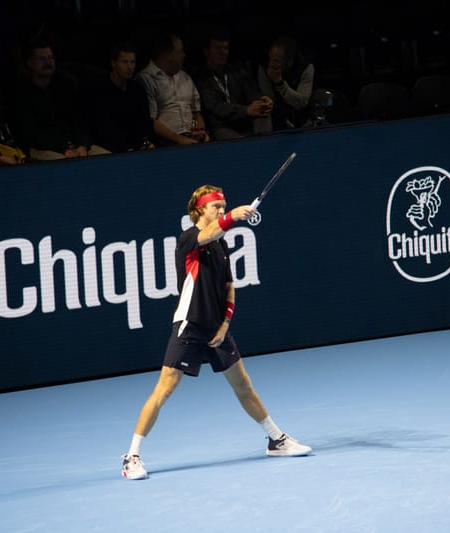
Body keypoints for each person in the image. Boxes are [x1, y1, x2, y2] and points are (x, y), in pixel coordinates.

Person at [121, 184, 312, 480]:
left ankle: (277, 440)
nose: (221, 211)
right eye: (216, 207)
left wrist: (224, 324)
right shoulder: (188, 240)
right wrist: (234, 216)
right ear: (200, 210)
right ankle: (131, 457)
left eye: (224, 207)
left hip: (216, 328)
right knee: (164, 389)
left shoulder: (221, 244)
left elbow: (228, 287)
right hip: (190, 324)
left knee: (243, 385)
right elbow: (209, 233)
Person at [12, 40, 110, 160]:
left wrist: (83, 145)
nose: (48, 62)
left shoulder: (65, 85)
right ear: (30, 63)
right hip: (44, 149)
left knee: (106, 158)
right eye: (42, 59)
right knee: (64, 165)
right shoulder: (21, 93)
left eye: (51, 58)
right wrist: (64, 148)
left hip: (73, 146)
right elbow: (31, 135)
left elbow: (78, 121)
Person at [194, 29, 273, 140]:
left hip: (244, 123)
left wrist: (263, 102)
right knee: (237, 140)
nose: (223, 52)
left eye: (226, 48)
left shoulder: (236, 71)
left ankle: (267, 150)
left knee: (264, 114)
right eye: (218, 48)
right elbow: (216, 106)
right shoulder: (201, 78)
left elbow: (252, 93)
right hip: (221, 127)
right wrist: (246, 110)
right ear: (206, 51)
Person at [136, 31, 210, 147]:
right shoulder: (146, 79)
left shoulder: (185, 77)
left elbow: (195, 113)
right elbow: (151, 121)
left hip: (190, 137)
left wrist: (199, 130)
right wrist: (179, 139)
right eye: (179, 51)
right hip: (166, 141)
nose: (184, 55)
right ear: (167, 55)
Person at [86, 41, 155, 153]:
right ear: (113, 63)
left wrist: (146, 143)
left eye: (132, 62)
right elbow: (102, 127)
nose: (130, 67)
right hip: (108, 148)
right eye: (124, 62)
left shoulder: (137, 89)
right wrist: (125, 148)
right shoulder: (99, 88)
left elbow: (144, 122)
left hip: (135, 147)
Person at [257, 36, 315, 131]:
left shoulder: (306, 68)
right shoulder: (263, 68)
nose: (271, 64)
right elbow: (269, 100)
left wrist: (280, 84)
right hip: (276, 123)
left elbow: (301, 102)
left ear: (289, 62)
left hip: (302, 123)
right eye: (270, 57)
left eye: (276, 61)